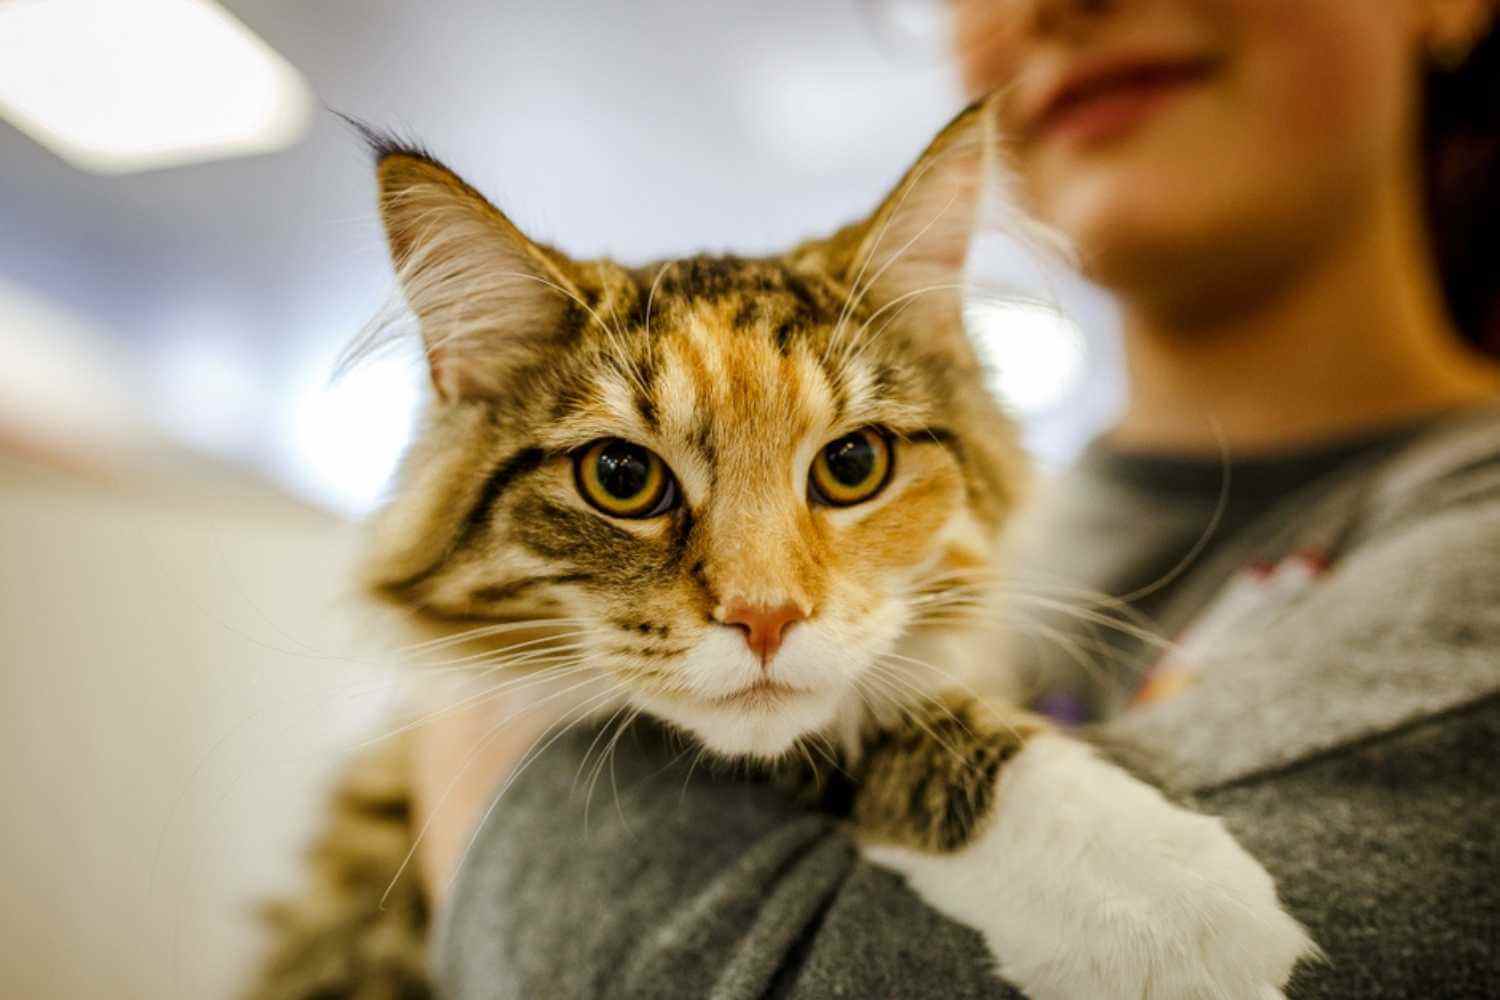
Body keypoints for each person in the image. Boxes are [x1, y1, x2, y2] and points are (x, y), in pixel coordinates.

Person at [416, 1, 1500, 996]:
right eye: (625, 475)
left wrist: (488, 791)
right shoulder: (994, 532)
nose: (761, 600)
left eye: (848, 466)